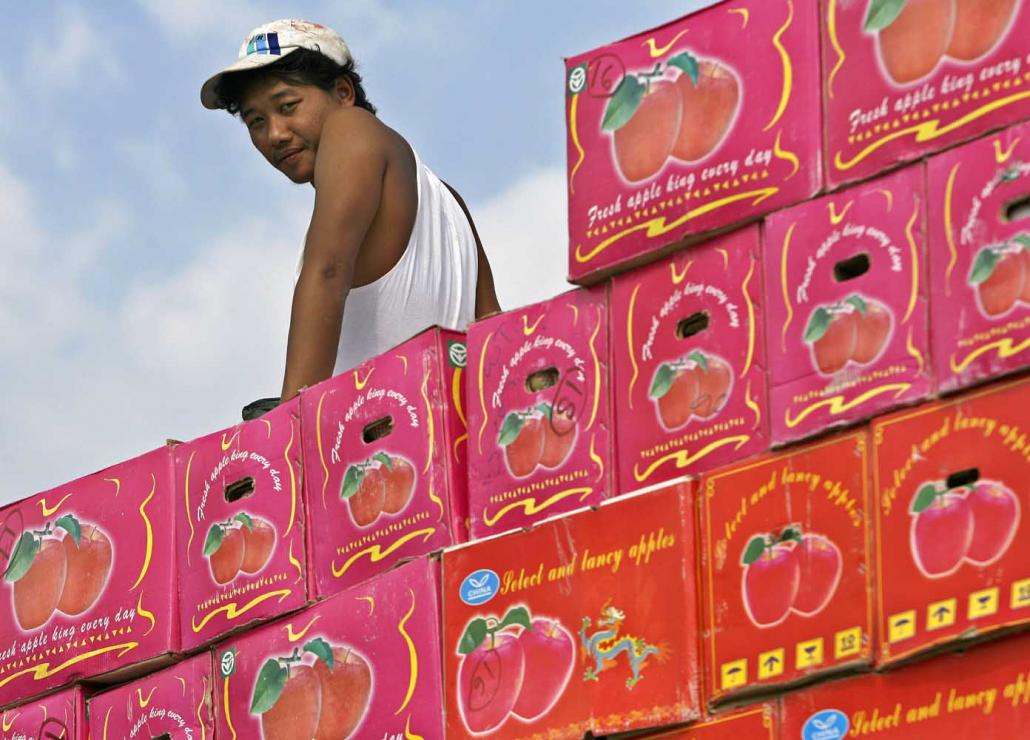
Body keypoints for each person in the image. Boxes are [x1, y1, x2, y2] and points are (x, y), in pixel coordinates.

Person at [200, 19, 500, 407]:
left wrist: (291, 430)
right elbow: (492, 325)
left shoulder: (351, 126)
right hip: (447, 440)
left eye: (287, 106)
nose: (274, 133)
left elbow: (328, 271)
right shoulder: (447, 199)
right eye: (256, 121)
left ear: (343, 92)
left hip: (379, 444)